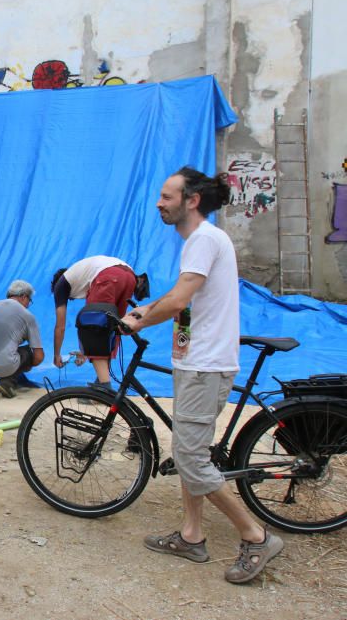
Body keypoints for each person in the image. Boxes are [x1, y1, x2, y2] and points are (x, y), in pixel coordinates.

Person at [121, 167, 283, 585]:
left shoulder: (203, 240)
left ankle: (255, 535)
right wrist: (150, 314)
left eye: (167, 196)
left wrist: (138, 322)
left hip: (205, 366)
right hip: (197, 360)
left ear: (191, 201)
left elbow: (178, 300)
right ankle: (192, 535)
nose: (159, 202)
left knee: (191, 459)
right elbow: (185, 301)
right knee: (193, 452)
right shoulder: (203, 241)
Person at [51, 255, 137, 388]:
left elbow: (60, 326)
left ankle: (104, 387)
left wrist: (56, 355)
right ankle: (101, 380)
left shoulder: (60, 286)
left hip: (108, 276)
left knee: (93, 327)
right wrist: (85, 353)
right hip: (130, 277)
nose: (72, 299)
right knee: (112, 327)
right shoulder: (84, 274)